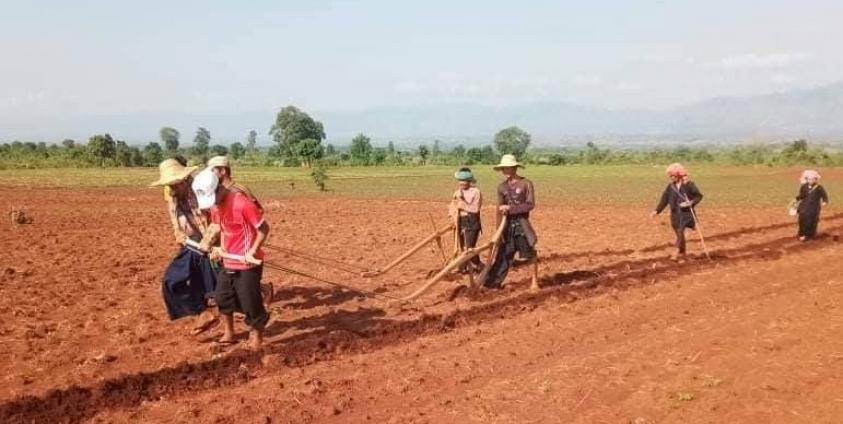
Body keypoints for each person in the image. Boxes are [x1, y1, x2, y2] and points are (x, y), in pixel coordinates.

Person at [193, 169, 271, 350]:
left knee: (250, 300)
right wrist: (219, 248)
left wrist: (253, 250)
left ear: (220, 188)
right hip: (228, 260)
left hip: (247, 262)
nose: (213, 204)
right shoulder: (216, 207)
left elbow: (264, 228)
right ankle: (229, 332)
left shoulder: (242, 203)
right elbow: (223, 228)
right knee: (221, 297)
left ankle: (256, 333)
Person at [149, 159, 219, 334]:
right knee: (171, 281)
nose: (170, 188)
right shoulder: (173, 195)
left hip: (209, 243)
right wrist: (179, 235)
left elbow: (217, 220)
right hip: (191, 245)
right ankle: (202, 313)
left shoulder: (200, 191)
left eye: (173, 184)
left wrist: (208, 244)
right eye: (168, 185)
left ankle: (259, 292)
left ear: (183, 180)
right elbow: (175, 220)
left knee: (220, 286)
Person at [206, 155, 273, 305]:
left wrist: (249, 241)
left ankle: (263, 291)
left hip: (245, 242)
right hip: (227, 237)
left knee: (245, 280)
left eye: (212, 171)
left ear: (222, 171)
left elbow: (258, 213)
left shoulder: (239, 191)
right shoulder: (215, 192)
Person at [483, 155, 539, 290]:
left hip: (522, 225)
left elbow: (530, 205)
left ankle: (534, 282)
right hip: (507, 226)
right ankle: (492, 284)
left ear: (514, 168)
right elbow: (499, 209)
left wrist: (511, 209)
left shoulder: (526, 183)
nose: (505, 171)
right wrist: (499, 231)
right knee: (503, 256)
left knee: (530, 254)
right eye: (503, 168)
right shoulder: (501, 187)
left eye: (507, 168)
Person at [651, 163, 704, 259]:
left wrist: (691, 202)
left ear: (679, 175)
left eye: (673, 175)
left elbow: (698, 196)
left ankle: (676, 252)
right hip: (675, 214)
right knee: (679, 233)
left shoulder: (689, 185)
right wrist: (657, 211)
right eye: (670, 176)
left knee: (680, 232)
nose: (671, 177)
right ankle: (682, 253)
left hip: (686, 213)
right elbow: (664, 199)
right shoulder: (670, 187)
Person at [450, 167, 483, 273]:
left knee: (469, 247)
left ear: (469, 181)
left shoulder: (476, 192)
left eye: (464, 181)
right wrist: (453, 217)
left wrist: (462, 204)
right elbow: (452, 207)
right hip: (460, 221)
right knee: (462, 247)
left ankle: (478, 265)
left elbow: (475, 209)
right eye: (460, 180)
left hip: (472, 221)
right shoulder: (456, 193)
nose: (461, 183)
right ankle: (463, 267)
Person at [794, 169, 828, 241]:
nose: (811, 181)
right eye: (809, 179)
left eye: (813, 179)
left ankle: (811, 234)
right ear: (807, 179)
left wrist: (825, 201)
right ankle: (802, 234)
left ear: (816, 180)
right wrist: (796, 200)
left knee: (813, 221)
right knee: (802, 220)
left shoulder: (819, 187)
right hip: (804, 206)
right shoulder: (804, 187)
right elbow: (802, 195)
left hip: (814, 208)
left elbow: (824, 195)